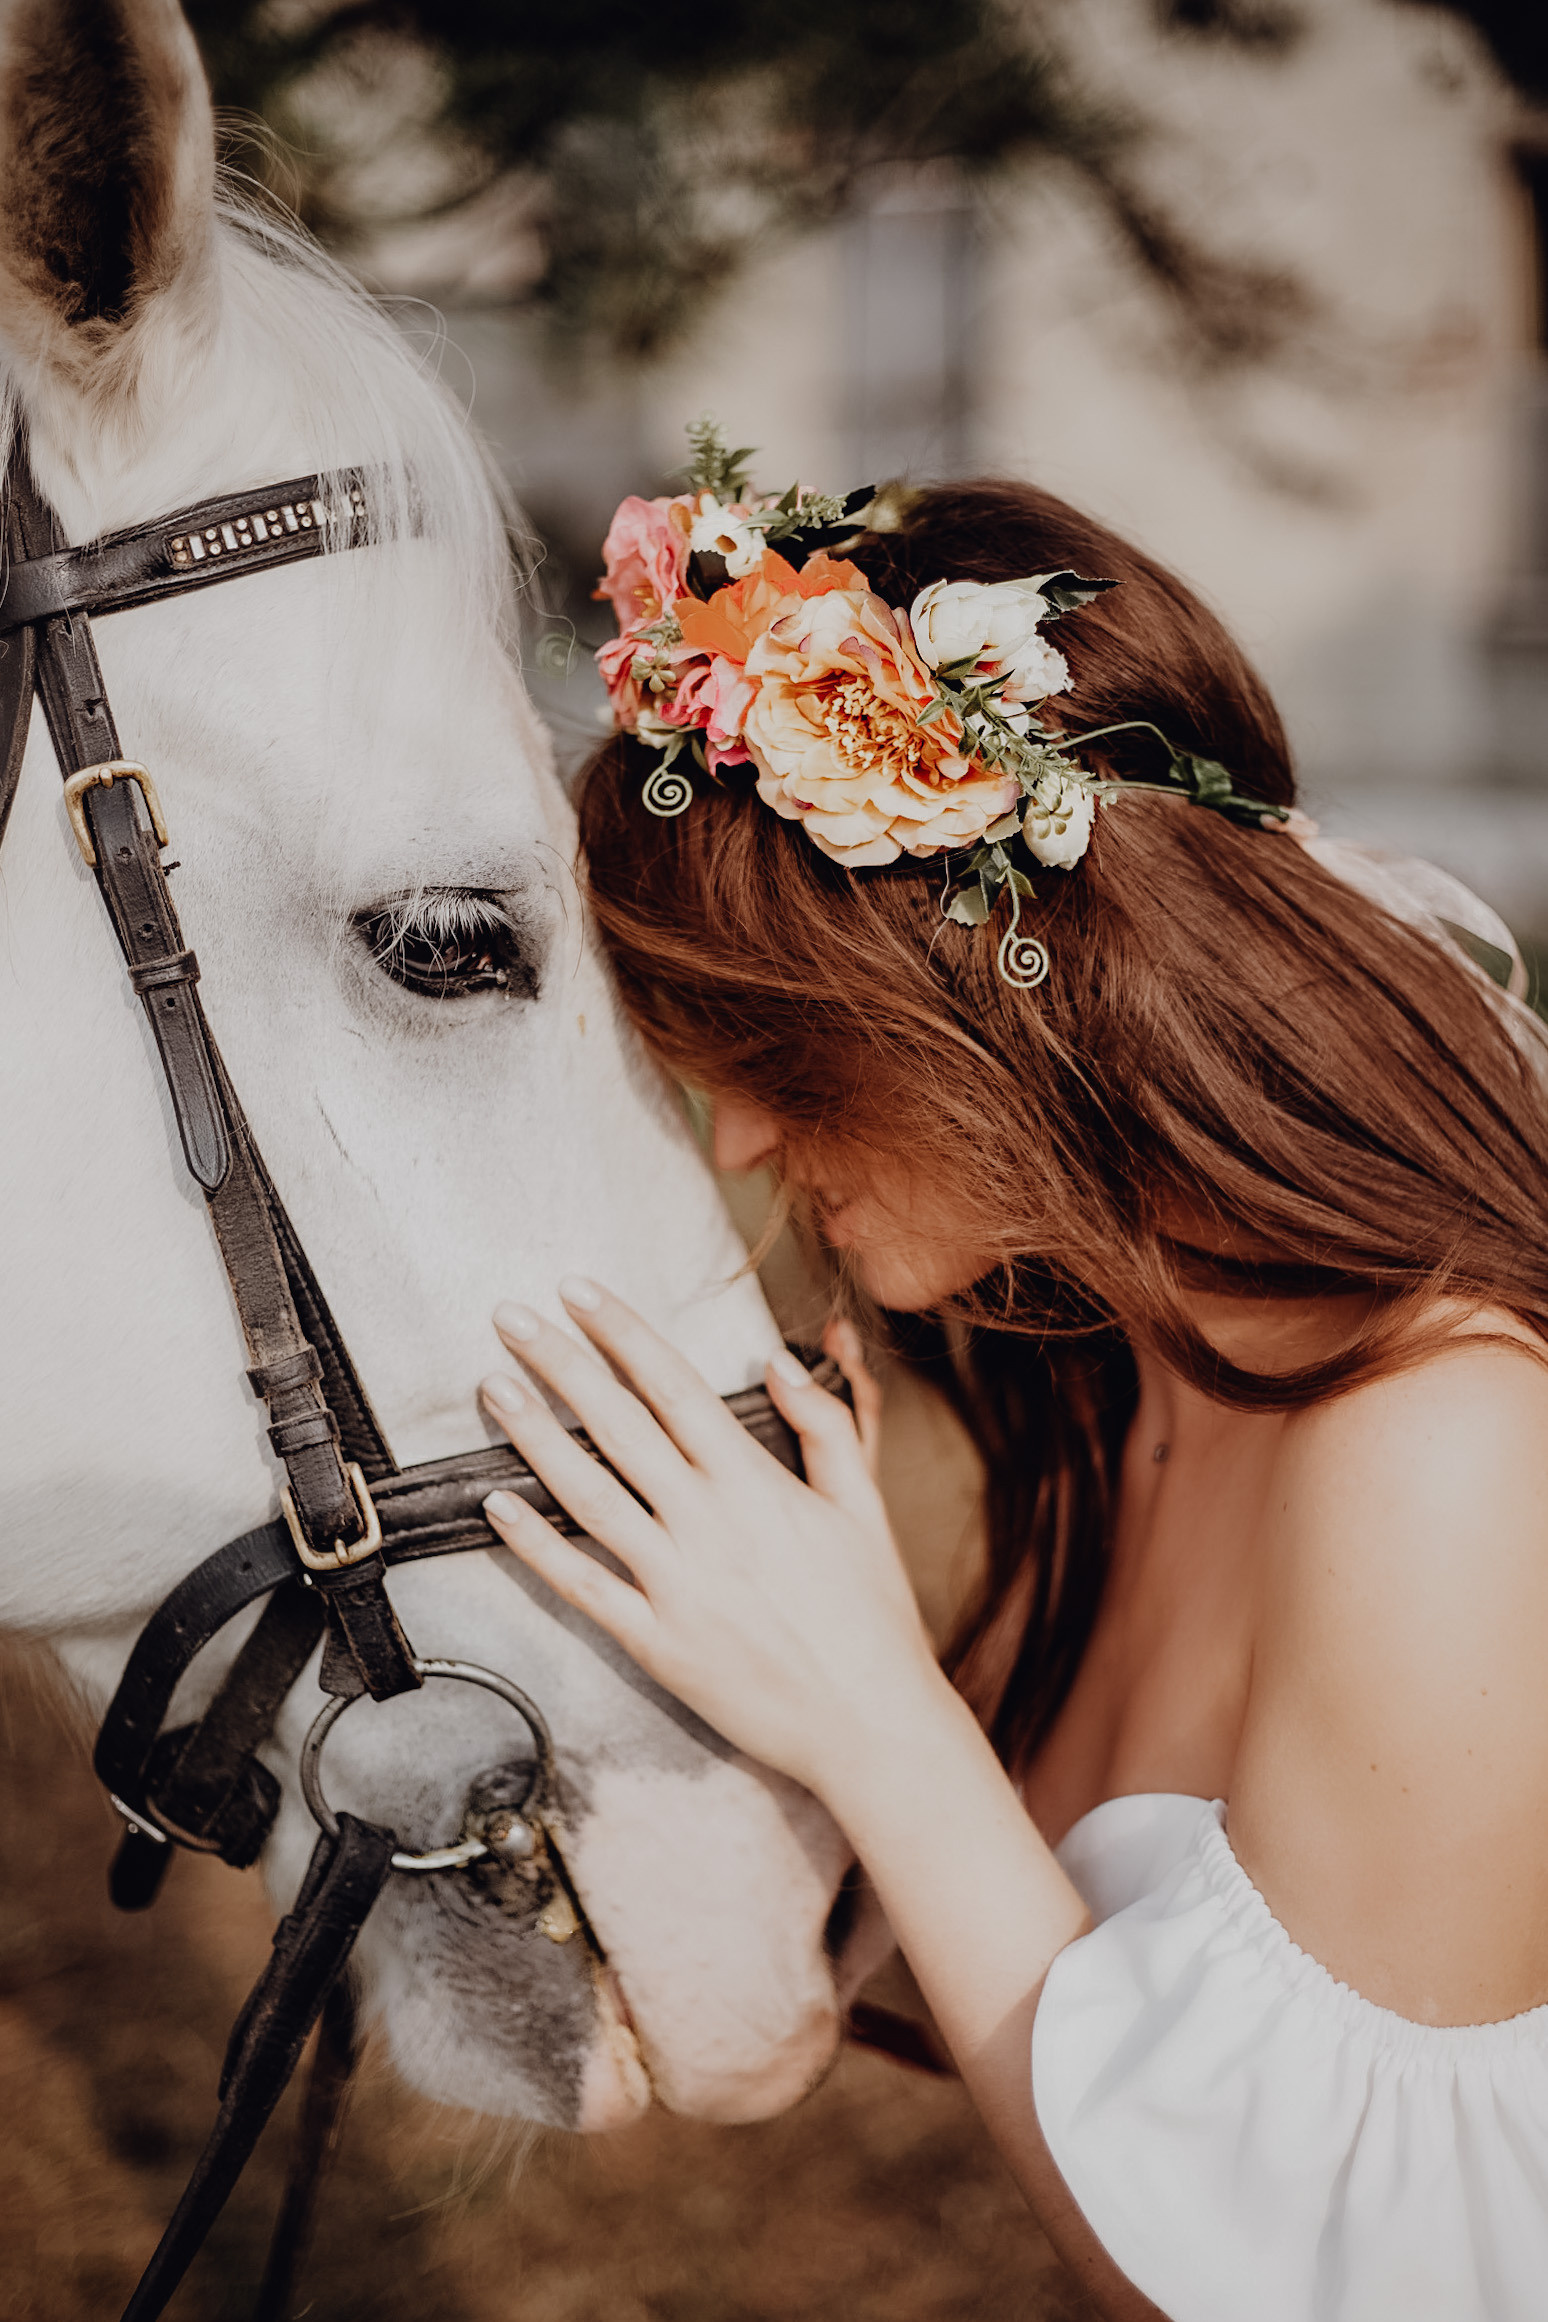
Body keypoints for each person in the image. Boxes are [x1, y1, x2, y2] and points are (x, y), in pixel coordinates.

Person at [477, 463, 1548, 2321]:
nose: (736, 1131)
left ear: (992, 1000)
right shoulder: (1119, 1367)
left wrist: (873, 1711)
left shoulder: (1447, 1446)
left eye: (781, 1053)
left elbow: (1350, 2284)